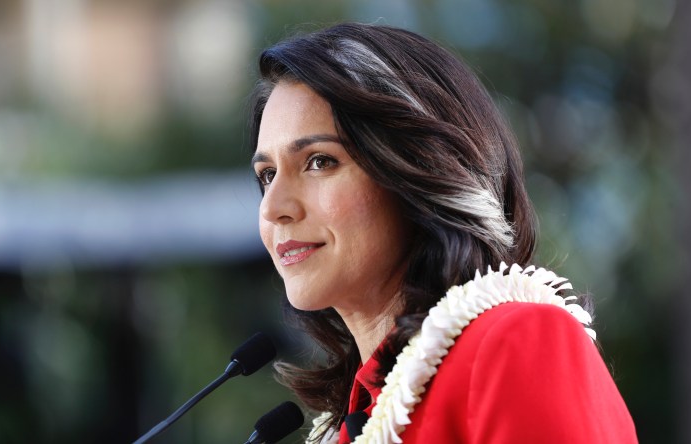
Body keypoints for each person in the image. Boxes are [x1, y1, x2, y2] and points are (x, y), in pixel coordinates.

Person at [248, 22, 637, 443]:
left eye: (320, 162)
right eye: (267, 175)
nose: (273, 208)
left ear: (418, 170)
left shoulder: (516, 342)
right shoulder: (353, 418)